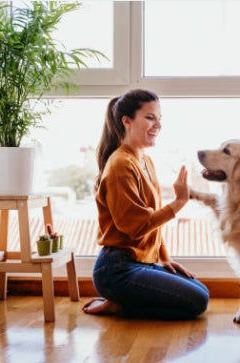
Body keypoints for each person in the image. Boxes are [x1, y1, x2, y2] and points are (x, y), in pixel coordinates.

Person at [82, 89, 209, 319]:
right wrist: (179, 202)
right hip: (116, 269)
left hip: (142, 262)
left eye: (159, 119)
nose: (157, 125)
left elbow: (152, 226)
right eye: (150, 117)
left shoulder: (145, 160)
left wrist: (164, 257)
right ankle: (119, 305)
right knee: (196, 301)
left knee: (201, 292)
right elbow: (135, 227)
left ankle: (122, 301)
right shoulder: (120, 165)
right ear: (127, 121)